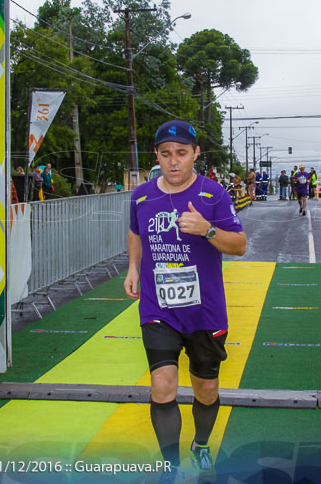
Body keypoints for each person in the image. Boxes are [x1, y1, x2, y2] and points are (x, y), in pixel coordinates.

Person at [125, 121, 247, 481]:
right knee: (162, 385)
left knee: (205, 389)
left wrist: (206, 229)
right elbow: (136, 232)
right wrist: (133, 267)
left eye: (181, 153)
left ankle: (201, 444)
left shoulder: (213, 195)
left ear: (195, 154)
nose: (173, 162)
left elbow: (239, 246)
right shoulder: (142, 196)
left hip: (205, 311)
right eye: (166, 155)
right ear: (157, 157)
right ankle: (170, 464)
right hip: (158, 307)